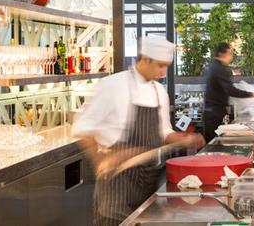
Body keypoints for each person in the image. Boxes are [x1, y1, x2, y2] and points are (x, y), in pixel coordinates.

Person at [73, 36, 205, 226]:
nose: (163, 72)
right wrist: (101, 159)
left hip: (147, 186)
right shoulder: (112, 85)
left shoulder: (159, 92)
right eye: (160, 65)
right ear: (145, 58)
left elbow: (164, 133)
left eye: (167, 66)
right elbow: (82, 128)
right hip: (117, 186)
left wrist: (184, 139)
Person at [203, 43, 254, 142]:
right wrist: (252, 94)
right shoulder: (219, 69)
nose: (231, 57)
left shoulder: (212, 66)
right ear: (222, 54)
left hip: (211, 112)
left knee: (214, 144)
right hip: (215, 114)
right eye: (230, 53)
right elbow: (231, 90)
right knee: (215, 145)